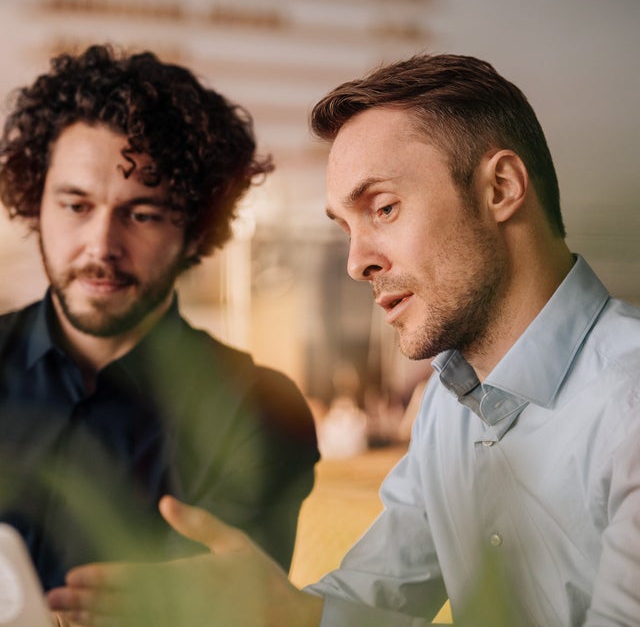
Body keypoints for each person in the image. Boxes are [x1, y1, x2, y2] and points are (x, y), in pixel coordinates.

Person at [48, 53, 640, 626]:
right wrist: (267, 612)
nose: (356, 262)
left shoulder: (629, 406)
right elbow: (372, 601)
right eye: (346, 229)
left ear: (501, 188)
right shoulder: (449, 407)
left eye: (382, 209)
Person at [0, 43, 319, 598]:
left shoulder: (261, 412)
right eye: (76, 206)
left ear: (196, 230)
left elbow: (228, 606)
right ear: (36, 203)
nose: (101, 246)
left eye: (142, 214)